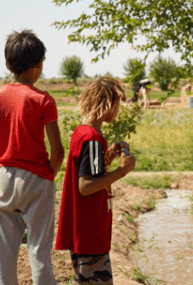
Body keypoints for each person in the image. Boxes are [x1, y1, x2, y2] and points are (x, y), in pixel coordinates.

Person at [0, 30, 64, 284]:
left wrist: (2, 170)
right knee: (39, 253)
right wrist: (47, 175)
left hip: (2, 181)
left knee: (4, 256)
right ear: (39, 65)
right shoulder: (43, 100)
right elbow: (57, 151)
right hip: (36, 179)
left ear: (7, 64)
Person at [55, 76, 136, 285]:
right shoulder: (91, 138)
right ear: (109, 104)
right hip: (89, 231)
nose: (118, 110)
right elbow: (85, 186)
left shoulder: (84, 133)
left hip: (86, 228)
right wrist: (122, 171)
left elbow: (91, 171)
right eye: (118, 103)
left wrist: (108, 155)